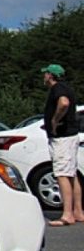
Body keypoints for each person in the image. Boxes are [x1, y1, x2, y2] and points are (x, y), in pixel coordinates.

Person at [41, 64, 84, 226]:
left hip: (62, 138)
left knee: (62, 174)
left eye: (45, 74)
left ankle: (67, 215)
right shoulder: (66, 87)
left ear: (51, 75)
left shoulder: (58, 88)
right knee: (71, 173)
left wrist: (55, 120)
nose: (44, 77)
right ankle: (78, 211)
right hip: (70, 136)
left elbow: (64, 103)